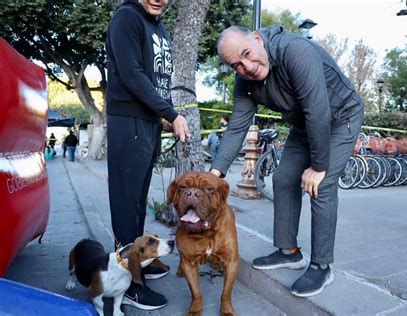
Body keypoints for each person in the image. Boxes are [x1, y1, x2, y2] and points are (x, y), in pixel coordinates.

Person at [210, 25, 364, 297]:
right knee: (282, 179)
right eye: (237, 65)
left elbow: (317, 109)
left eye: (247, 53)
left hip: (341, 119)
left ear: (257, 39)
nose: (247, 67)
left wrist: (318, 167)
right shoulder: (244, 80)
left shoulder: (296, 51)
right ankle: (288, 251)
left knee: (322, 184)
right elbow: (237, 126)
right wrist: (215, 173)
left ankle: (321, 266)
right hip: (305, 125)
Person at [105, 0, 190, 310]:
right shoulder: (127, 18)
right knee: (126, 203)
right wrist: (169, 111)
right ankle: (129, 283)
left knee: (139, 201)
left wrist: (163, 115)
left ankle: (140, 260)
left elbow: (157, 81)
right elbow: (132, 74)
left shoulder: (157, 26)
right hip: (128, 121)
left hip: (150, 123)